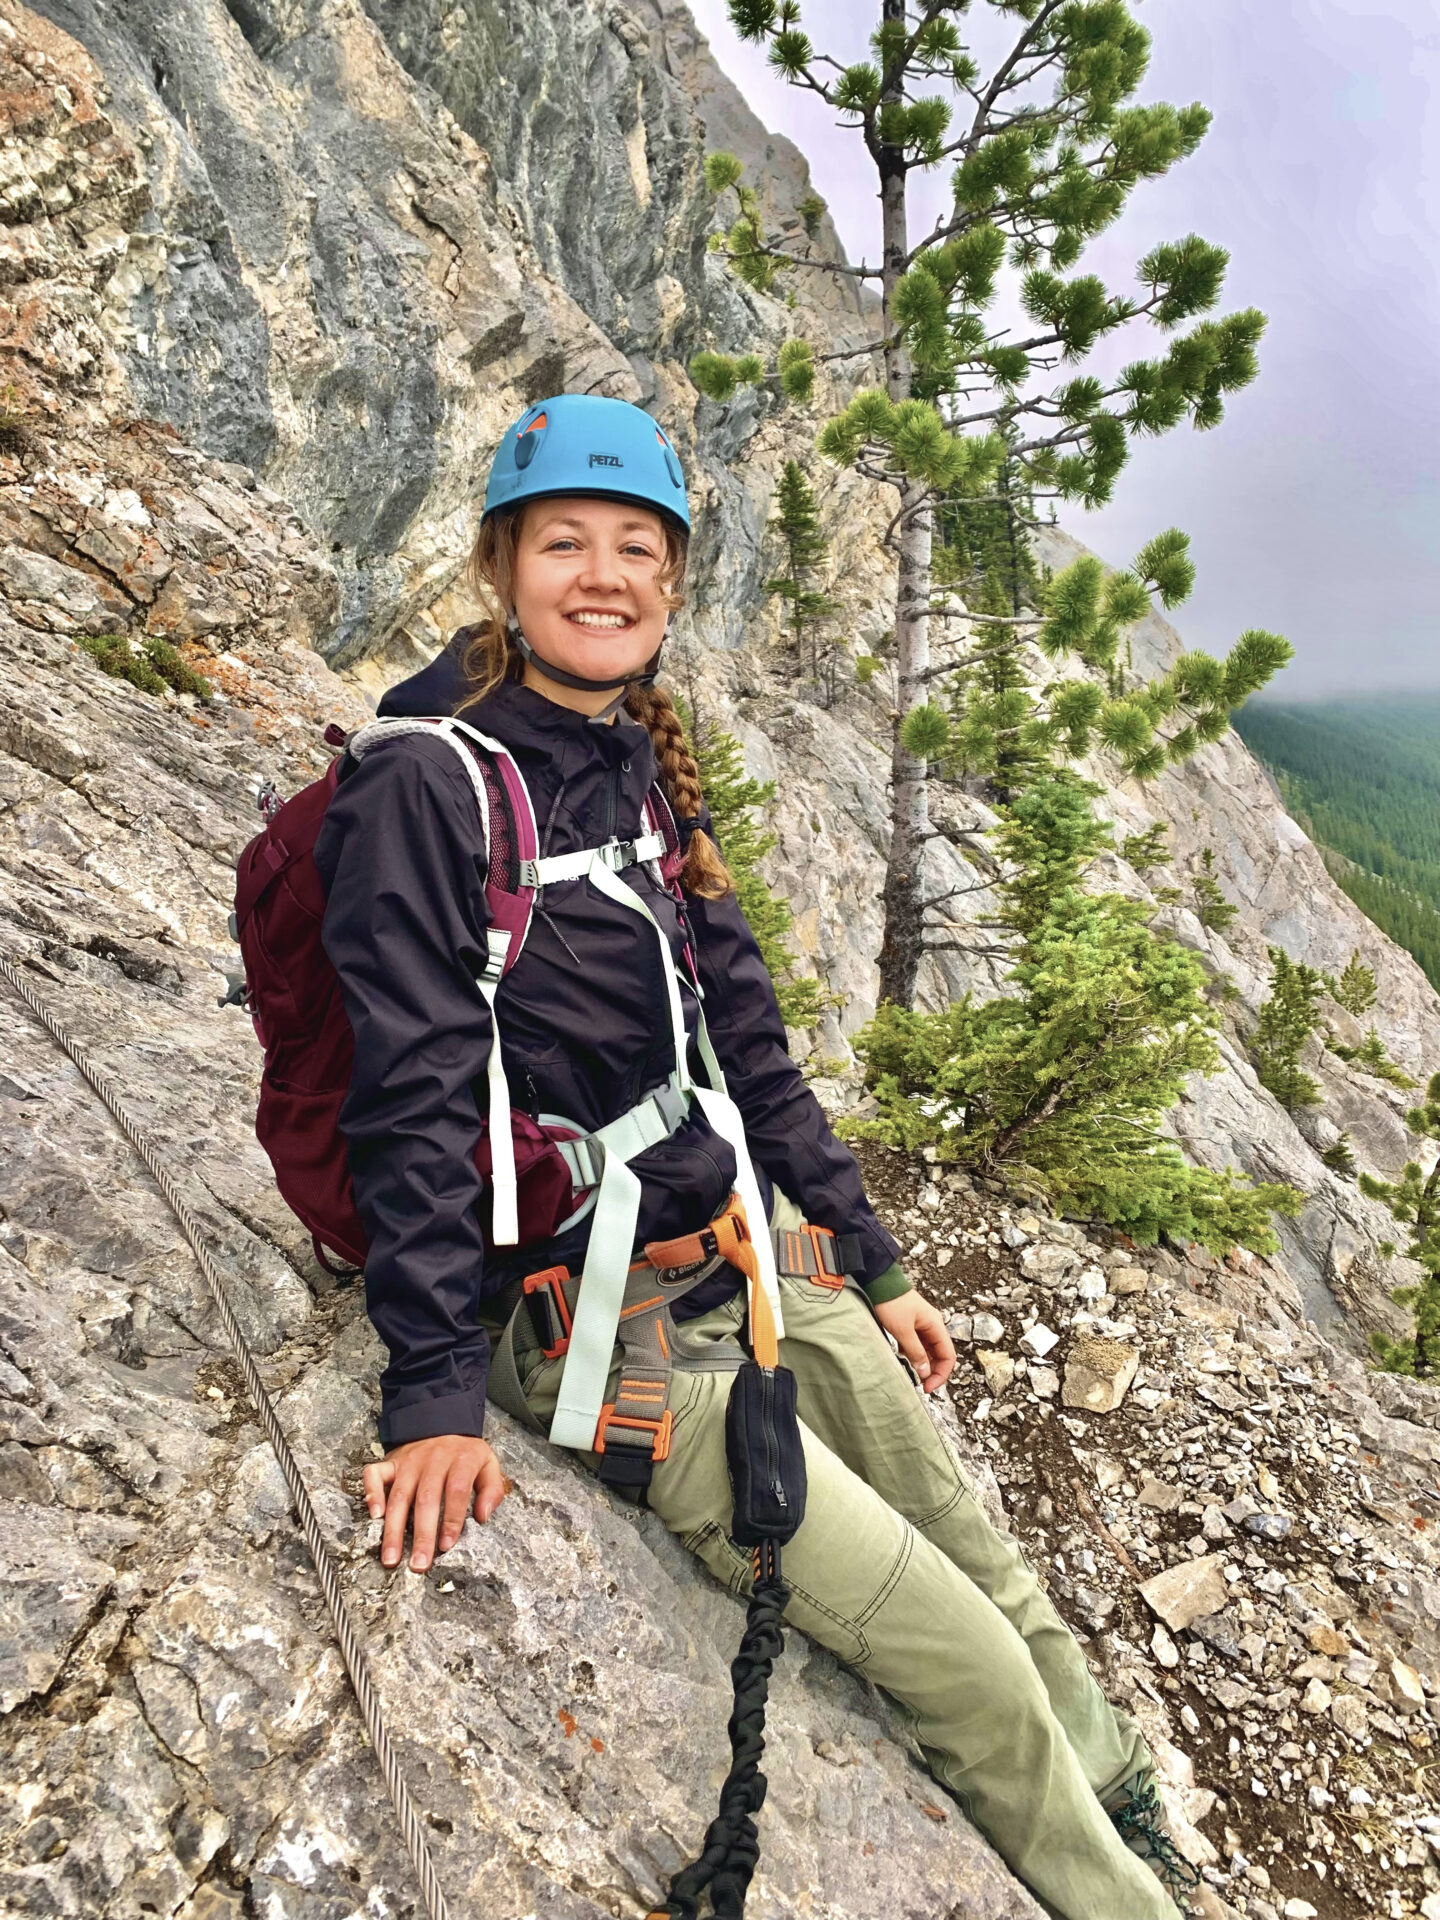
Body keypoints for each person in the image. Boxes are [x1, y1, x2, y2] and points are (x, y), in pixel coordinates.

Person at [313, 394, 1201, 1920]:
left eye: (636, 550)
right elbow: (411, 1094)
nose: (603, 576)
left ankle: (1131, 1812)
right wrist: (431, 1400)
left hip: (742, 1258)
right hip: (594, 1326)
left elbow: (750, 1036)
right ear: (501, 570)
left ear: (673, 580)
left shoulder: (638, 765)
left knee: (985, 1548)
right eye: (564, 545)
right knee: (969, 1662)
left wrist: (869, 1252)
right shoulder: (430, 786)